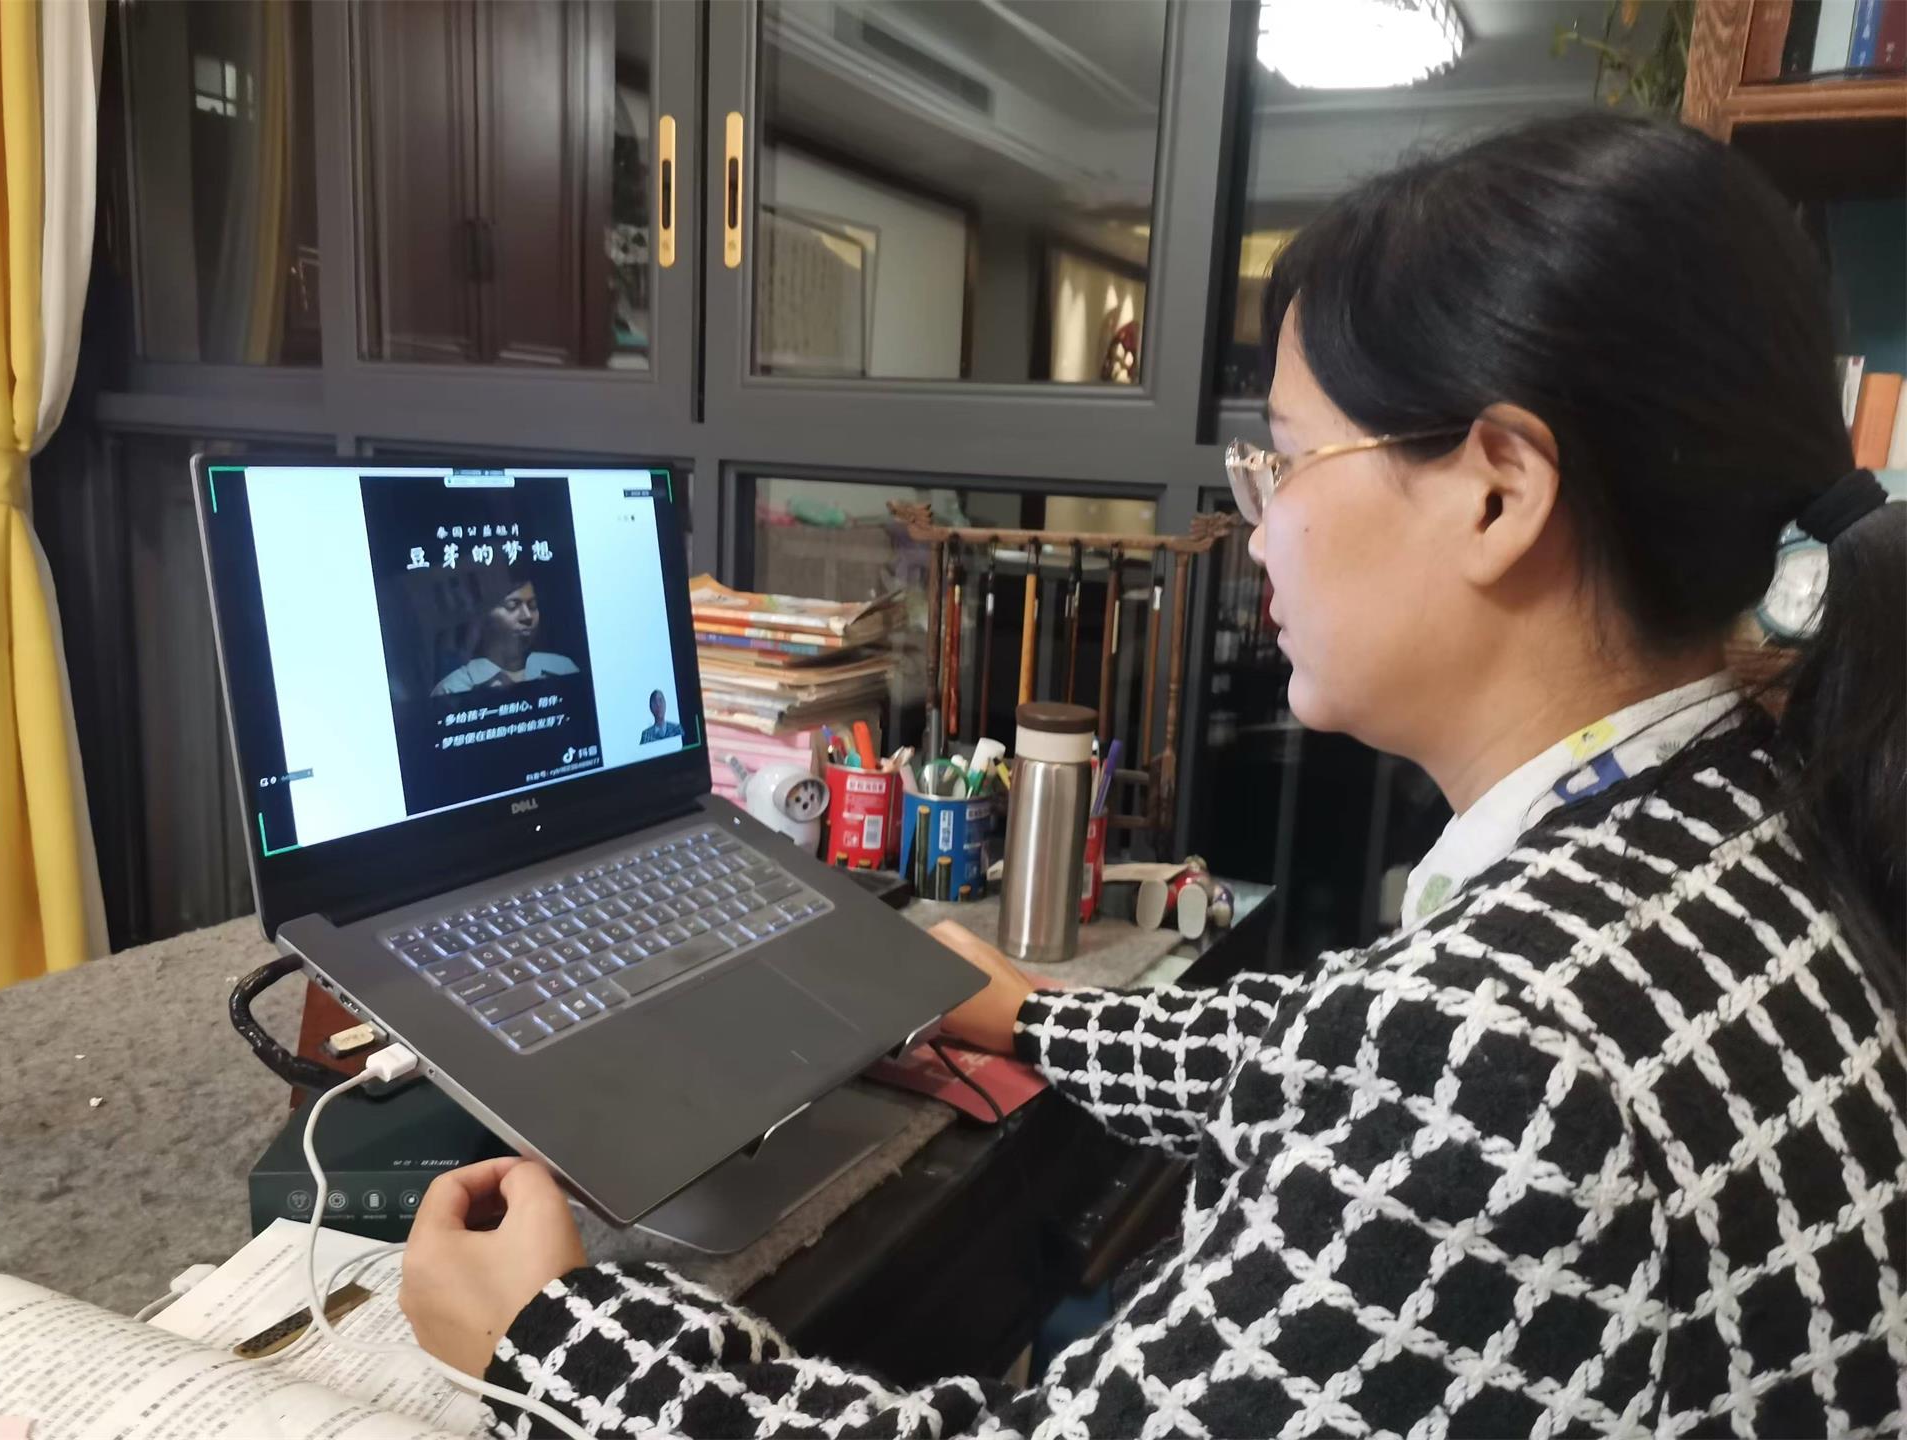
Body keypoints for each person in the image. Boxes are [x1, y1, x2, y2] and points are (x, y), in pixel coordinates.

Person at [399, 114, 1905, 1437]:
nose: (1257, 524)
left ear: (1498, 493)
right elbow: (1335, 1066)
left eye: (1287, 461)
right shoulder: (1746, 813)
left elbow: (1438, 1081)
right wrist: (1034, 1016)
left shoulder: (1516, 1051)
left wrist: (550, 1344)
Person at [431, 567, 580, 694]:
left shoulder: (562, 667)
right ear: (484, 618)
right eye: (512, 606)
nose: (527, 616)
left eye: (533, 606)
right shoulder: (451, 688)